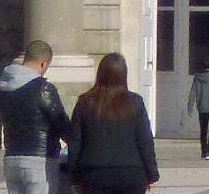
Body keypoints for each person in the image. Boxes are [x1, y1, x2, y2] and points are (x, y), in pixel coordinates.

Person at [63, 52, 158, 194]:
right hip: (130, 171)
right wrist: (152, 173)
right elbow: (145, 140)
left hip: (94, 172)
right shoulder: (135, 102)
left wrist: (74, 176)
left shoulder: (85, 102)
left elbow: (75, 142)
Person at [0, 37, 70, 194]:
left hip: (11, 157)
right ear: (43, 63)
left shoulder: (2, 86)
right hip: (39, 160)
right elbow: (61, 123)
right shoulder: (43, 88)